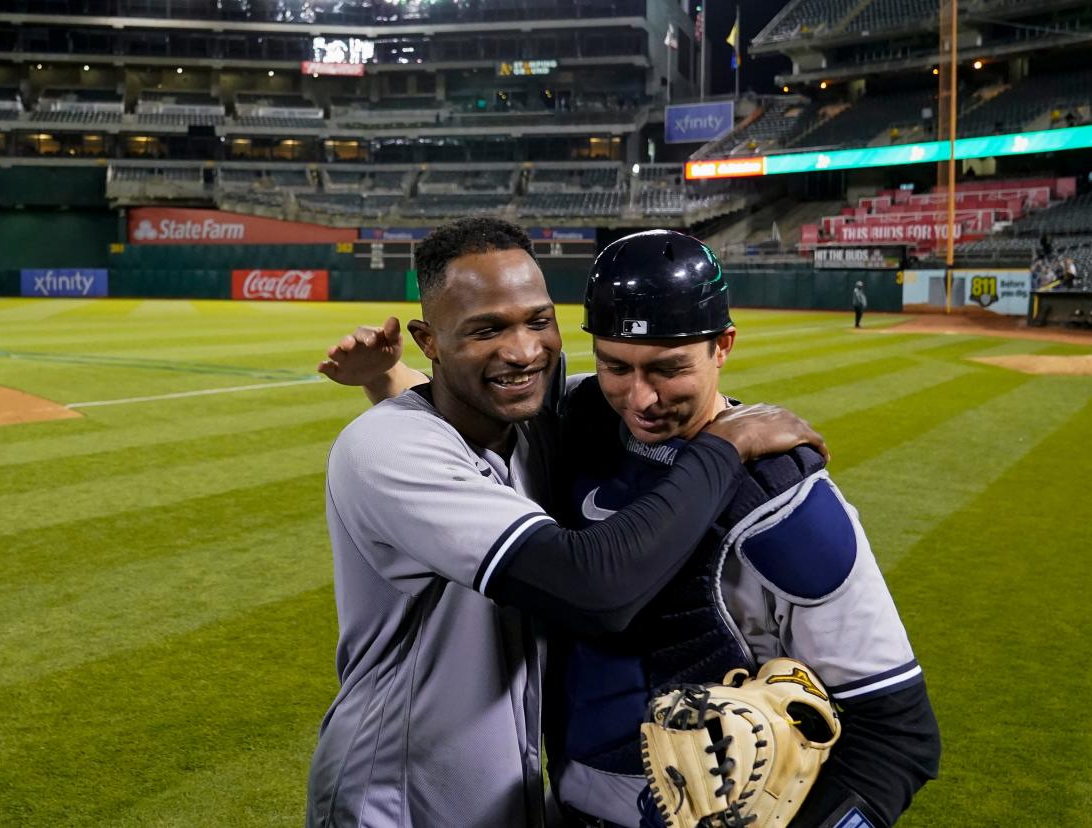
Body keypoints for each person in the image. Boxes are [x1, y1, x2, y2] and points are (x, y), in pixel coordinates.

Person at [306, 218, 826, 828]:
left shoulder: (533, 418)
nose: (524, 351)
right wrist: (727, 444)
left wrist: (382, 375)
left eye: (538, 320)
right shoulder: (383, 450)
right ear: (430, 339)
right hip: (396, 796)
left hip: (513, 788)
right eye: (487, 329)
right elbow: (594, 587)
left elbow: (637, 393)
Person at [545, 231, 940, 828]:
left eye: (668, 368)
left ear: (722, 345)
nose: (640, 396)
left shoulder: (784, 503)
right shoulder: (575, 429)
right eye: (614, 366)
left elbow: (898, 735)